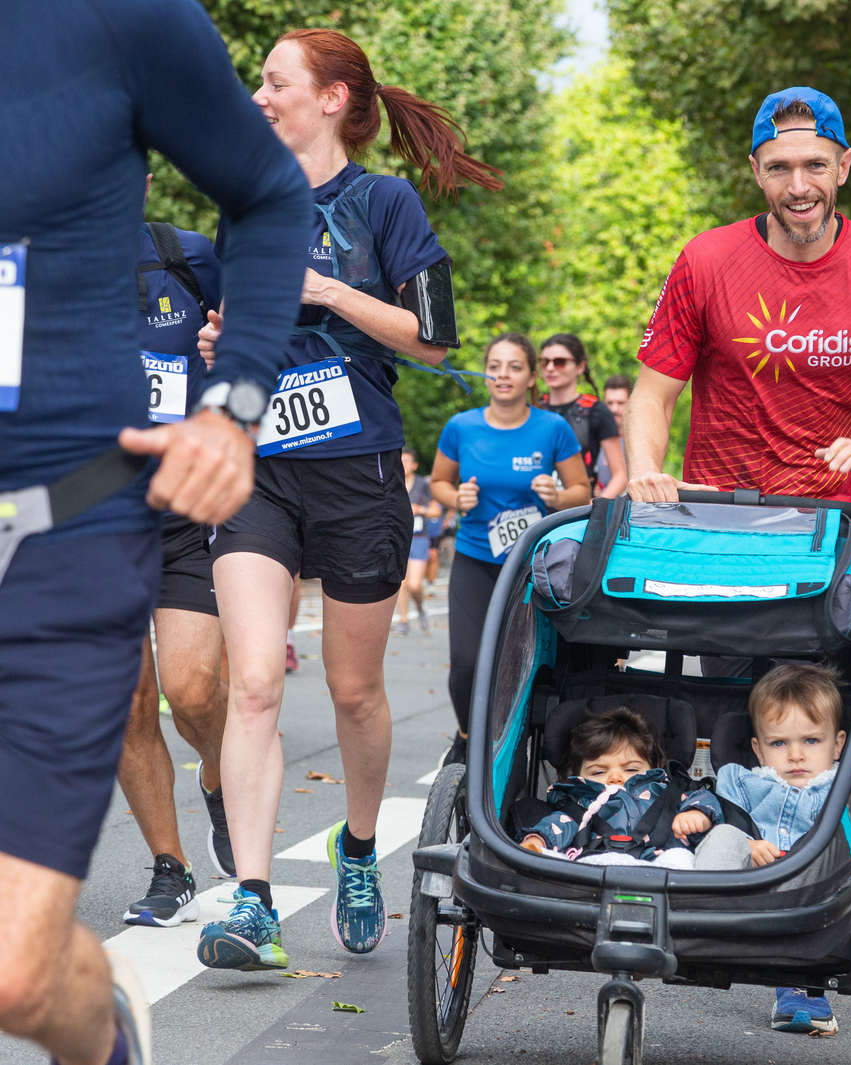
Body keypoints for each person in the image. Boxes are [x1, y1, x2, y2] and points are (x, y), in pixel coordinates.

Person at [0, 1, 311, 1061]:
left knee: (15, 972)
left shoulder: (119, 19)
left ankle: (106, 1031)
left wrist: (235, 403)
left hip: (59, 537)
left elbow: (266, 194)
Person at [196, 27, 502, 969]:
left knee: (354, 691)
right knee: (254, 683)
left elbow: (435, 335)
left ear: (331, 99)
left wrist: (326, 289)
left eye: (274, 81)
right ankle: (252, 903)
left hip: (358, 467)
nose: (257, 97)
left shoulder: (382, 201)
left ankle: (358, 848)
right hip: (259, 466)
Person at [625, 87, 851, 511]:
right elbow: (652, 396)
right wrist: (645, 471)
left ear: (844, 166)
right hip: (721, 517)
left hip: (838, 524)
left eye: (815, 165)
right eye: (779, 168)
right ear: (756, 172)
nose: (799, 187)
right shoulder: (705, 260)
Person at [120, 195, 237, 931]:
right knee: (126, 702)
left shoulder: (185, 256)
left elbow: (251, 348)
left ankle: (223, 778)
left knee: (191, 691)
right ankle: (172, 866)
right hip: (94, 524)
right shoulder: (32, 273)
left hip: (188, 515)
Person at [430, 334, 591, 765]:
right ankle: (467, 737)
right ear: (485, 373)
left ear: (531, 377)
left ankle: (514, 747)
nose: (503, 375)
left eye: (514, 367)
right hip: (475, 558)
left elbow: (582, 489)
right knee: (466, 663)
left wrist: (558, 497)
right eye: (495, 366)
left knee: (521, 664)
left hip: (530, 566)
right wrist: (455, 498)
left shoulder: (552, 429)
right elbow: (439, 482)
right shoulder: (461, 427)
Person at [715, 664, 846, 1035]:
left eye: (811, 741)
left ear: (838, 745)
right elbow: (720, 823)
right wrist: (746, 843)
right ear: (758, 749)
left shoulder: (841, 787)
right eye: (779, 743)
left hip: (817, 892)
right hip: (750, 886)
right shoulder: (743, 783)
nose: (795, 755)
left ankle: (802, 987)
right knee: (719, 838)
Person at [518, 706, 751, 871]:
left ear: (654, 768)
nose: (615, 777)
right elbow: (557, 825)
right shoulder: (581, 804)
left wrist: (697, 814)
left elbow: (702, 797)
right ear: (578, 776)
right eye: (598, 772)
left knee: (682, 856)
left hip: (663, 866)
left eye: (630, 769)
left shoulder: (666, 794)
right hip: (595, 867)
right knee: (552, 861)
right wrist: (537, 841)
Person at [538, 334, 627, 498]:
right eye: (544, 362)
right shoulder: (534, 409)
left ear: (580, 366)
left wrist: (596, 507)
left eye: (559, 362)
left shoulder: (596, 411)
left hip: (580, 507)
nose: (550, 368)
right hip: (538, 506)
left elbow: (620, 475)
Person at [394, 447, 441, 635]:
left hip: (419, 539)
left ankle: (420, 608)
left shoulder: (422, 485)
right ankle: (403, 621)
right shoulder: (392, 481)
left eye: (406, 461)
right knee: (400, 582)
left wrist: (420, 510)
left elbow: (436, 511)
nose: (402, 464)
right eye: (400, 461)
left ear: (414, 465)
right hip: (397, 538)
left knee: (414, 585)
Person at [594, 373, 631, 493]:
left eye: (620, 403)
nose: (614, 409)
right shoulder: (592, 438)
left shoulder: (640, 442)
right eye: (609, 403)